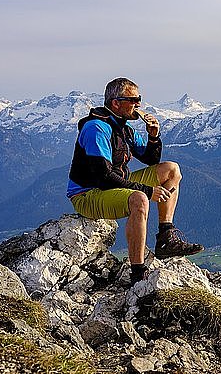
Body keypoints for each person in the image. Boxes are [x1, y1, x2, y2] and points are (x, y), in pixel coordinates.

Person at [66, 77, 204, 285]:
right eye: (133, 99)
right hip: (88, 194)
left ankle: (166, 237)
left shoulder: (123, 128)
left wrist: (154, 137)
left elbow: (150, 159)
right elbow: (103, 177)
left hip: (113, 184)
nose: (138, 104)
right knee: (140, 199)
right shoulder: (97, 128)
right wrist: (147, 191)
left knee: (171, 169)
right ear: (116, 103)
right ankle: (138, 273)